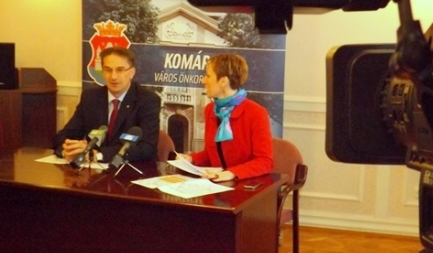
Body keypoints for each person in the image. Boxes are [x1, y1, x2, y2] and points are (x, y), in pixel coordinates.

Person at [53, 47, 160, 163]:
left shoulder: (147, 100)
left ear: (131, 72)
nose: (113, 76)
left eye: (120, 70)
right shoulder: (90, 98)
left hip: (132, 169)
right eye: (108, 70)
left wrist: (98, 155)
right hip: (93, 171)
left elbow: (146, 148)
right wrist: (68, 151)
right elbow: (64, 136)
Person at [178, 53, 273, 182]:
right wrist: (191, 159)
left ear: (223, 81)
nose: (203, 80)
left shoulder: (256, 113)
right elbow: (213, 154)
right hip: (216, 182)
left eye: (208, 76)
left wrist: (232, 173)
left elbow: (265, 161)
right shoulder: (210, 110)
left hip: (244, 184)